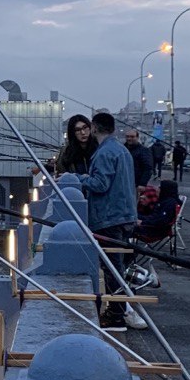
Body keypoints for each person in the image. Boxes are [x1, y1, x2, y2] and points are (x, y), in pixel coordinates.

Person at [60, 112, 145, 331]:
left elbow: (99, 184)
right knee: (116, 266)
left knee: (112, 268)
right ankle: (120, 312)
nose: (85, 132)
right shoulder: (122, 150)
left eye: (87, 127)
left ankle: (116, 317)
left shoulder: (104, 153)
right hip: (125, 215)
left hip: (109, 218)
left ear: (95, 128)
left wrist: (75, 178)